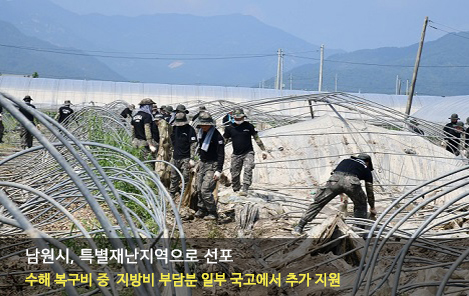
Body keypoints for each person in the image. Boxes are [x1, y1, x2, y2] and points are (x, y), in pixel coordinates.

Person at [292, 153, 376, 235]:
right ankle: (360, 231)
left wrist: (340, 191)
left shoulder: (345, 161)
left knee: (319, 202)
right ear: (367, 162)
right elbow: (369, 191)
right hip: (351, 182)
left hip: (334, 181)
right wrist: (372, 207)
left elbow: (338, 175)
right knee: (361, 204)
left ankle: (299, 227)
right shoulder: (366, 169)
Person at [223, 108, 268, 196]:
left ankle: (245, 188)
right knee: (234, 173)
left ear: (243, 117)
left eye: (240, 118)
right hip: (236, 154)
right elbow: (224, 141)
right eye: (237, 118)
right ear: (233, 118)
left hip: (248, 152)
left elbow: (256, 138)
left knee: (248, 168)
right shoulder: (229, 128)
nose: (239, 120)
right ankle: (236, 189)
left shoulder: (249, 126)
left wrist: (263, 150)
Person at [195, 112, 225, 220]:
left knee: (205, 189)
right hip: (202, 163)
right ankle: (201, 209)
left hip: (213, 165)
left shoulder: (217, 136)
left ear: (210, 124)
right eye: (202, 124)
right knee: (198, 188)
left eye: (205, 124)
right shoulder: (201, 133)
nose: (203, 126)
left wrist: (219, 170)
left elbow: (221, 154)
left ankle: (212, 212)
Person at [169, 112, 198, 197]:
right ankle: (172, 192)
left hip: (186, 157)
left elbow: (193, 144)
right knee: (174, 176)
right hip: (175, 156)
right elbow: (172, 140)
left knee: (185, 176)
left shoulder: (190, 129)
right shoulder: (174, 128)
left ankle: (184, 193)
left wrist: (192, 158)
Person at [154, 112, 172, 187]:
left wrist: (160, 149)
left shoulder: (163, 125)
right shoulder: (167, 125)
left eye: (156, 121)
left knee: (161, 165)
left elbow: (164, 138)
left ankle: (162, 183)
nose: (155, 123)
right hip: (167, 148)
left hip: (164, 149)